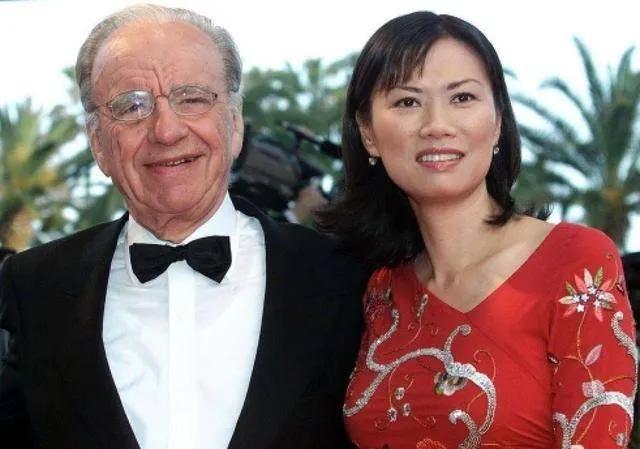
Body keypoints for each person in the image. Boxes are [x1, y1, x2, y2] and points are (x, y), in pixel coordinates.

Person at [0, 5, 366, 449]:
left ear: (234, 124)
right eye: (131, 106)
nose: (166, 130)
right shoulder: (36, 288)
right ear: (98, 143)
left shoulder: (343, 276)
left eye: (191, 98)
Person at [318, 11, 637, 449]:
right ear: (368, 133)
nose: (437, 125)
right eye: (407, 102)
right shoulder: (380, 291)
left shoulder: (576, 262)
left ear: (498, 121)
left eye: (463, 97)